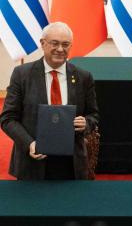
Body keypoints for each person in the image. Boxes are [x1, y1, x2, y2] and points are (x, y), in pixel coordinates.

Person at [0, 22, 99, 180]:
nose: (60, 49)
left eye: (65, 44)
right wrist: (29, 144)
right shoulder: (22, 74)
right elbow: (8, 119)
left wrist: (86, 123)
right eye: (55, 43)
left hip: (71, 165)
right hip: (32, 163)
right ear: (42, 43)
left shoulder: (83, 77)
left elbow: (93, 115)